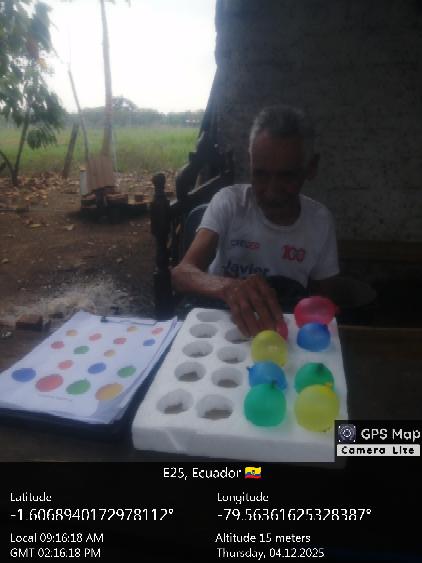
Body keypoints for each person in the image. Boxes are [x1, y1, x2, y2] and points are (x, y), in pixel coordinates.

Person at [171, 104, 340, 337]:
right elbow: (181, 274)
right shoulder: (229, 203)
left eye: (286, 176)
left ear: (311, 168)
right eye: (260, 174)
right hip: (221, 327)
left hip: (281, 332)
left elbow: (324, 302)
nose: (271, 191)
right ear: (250, 162)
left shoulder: (320, 222)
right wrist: (229, 288)